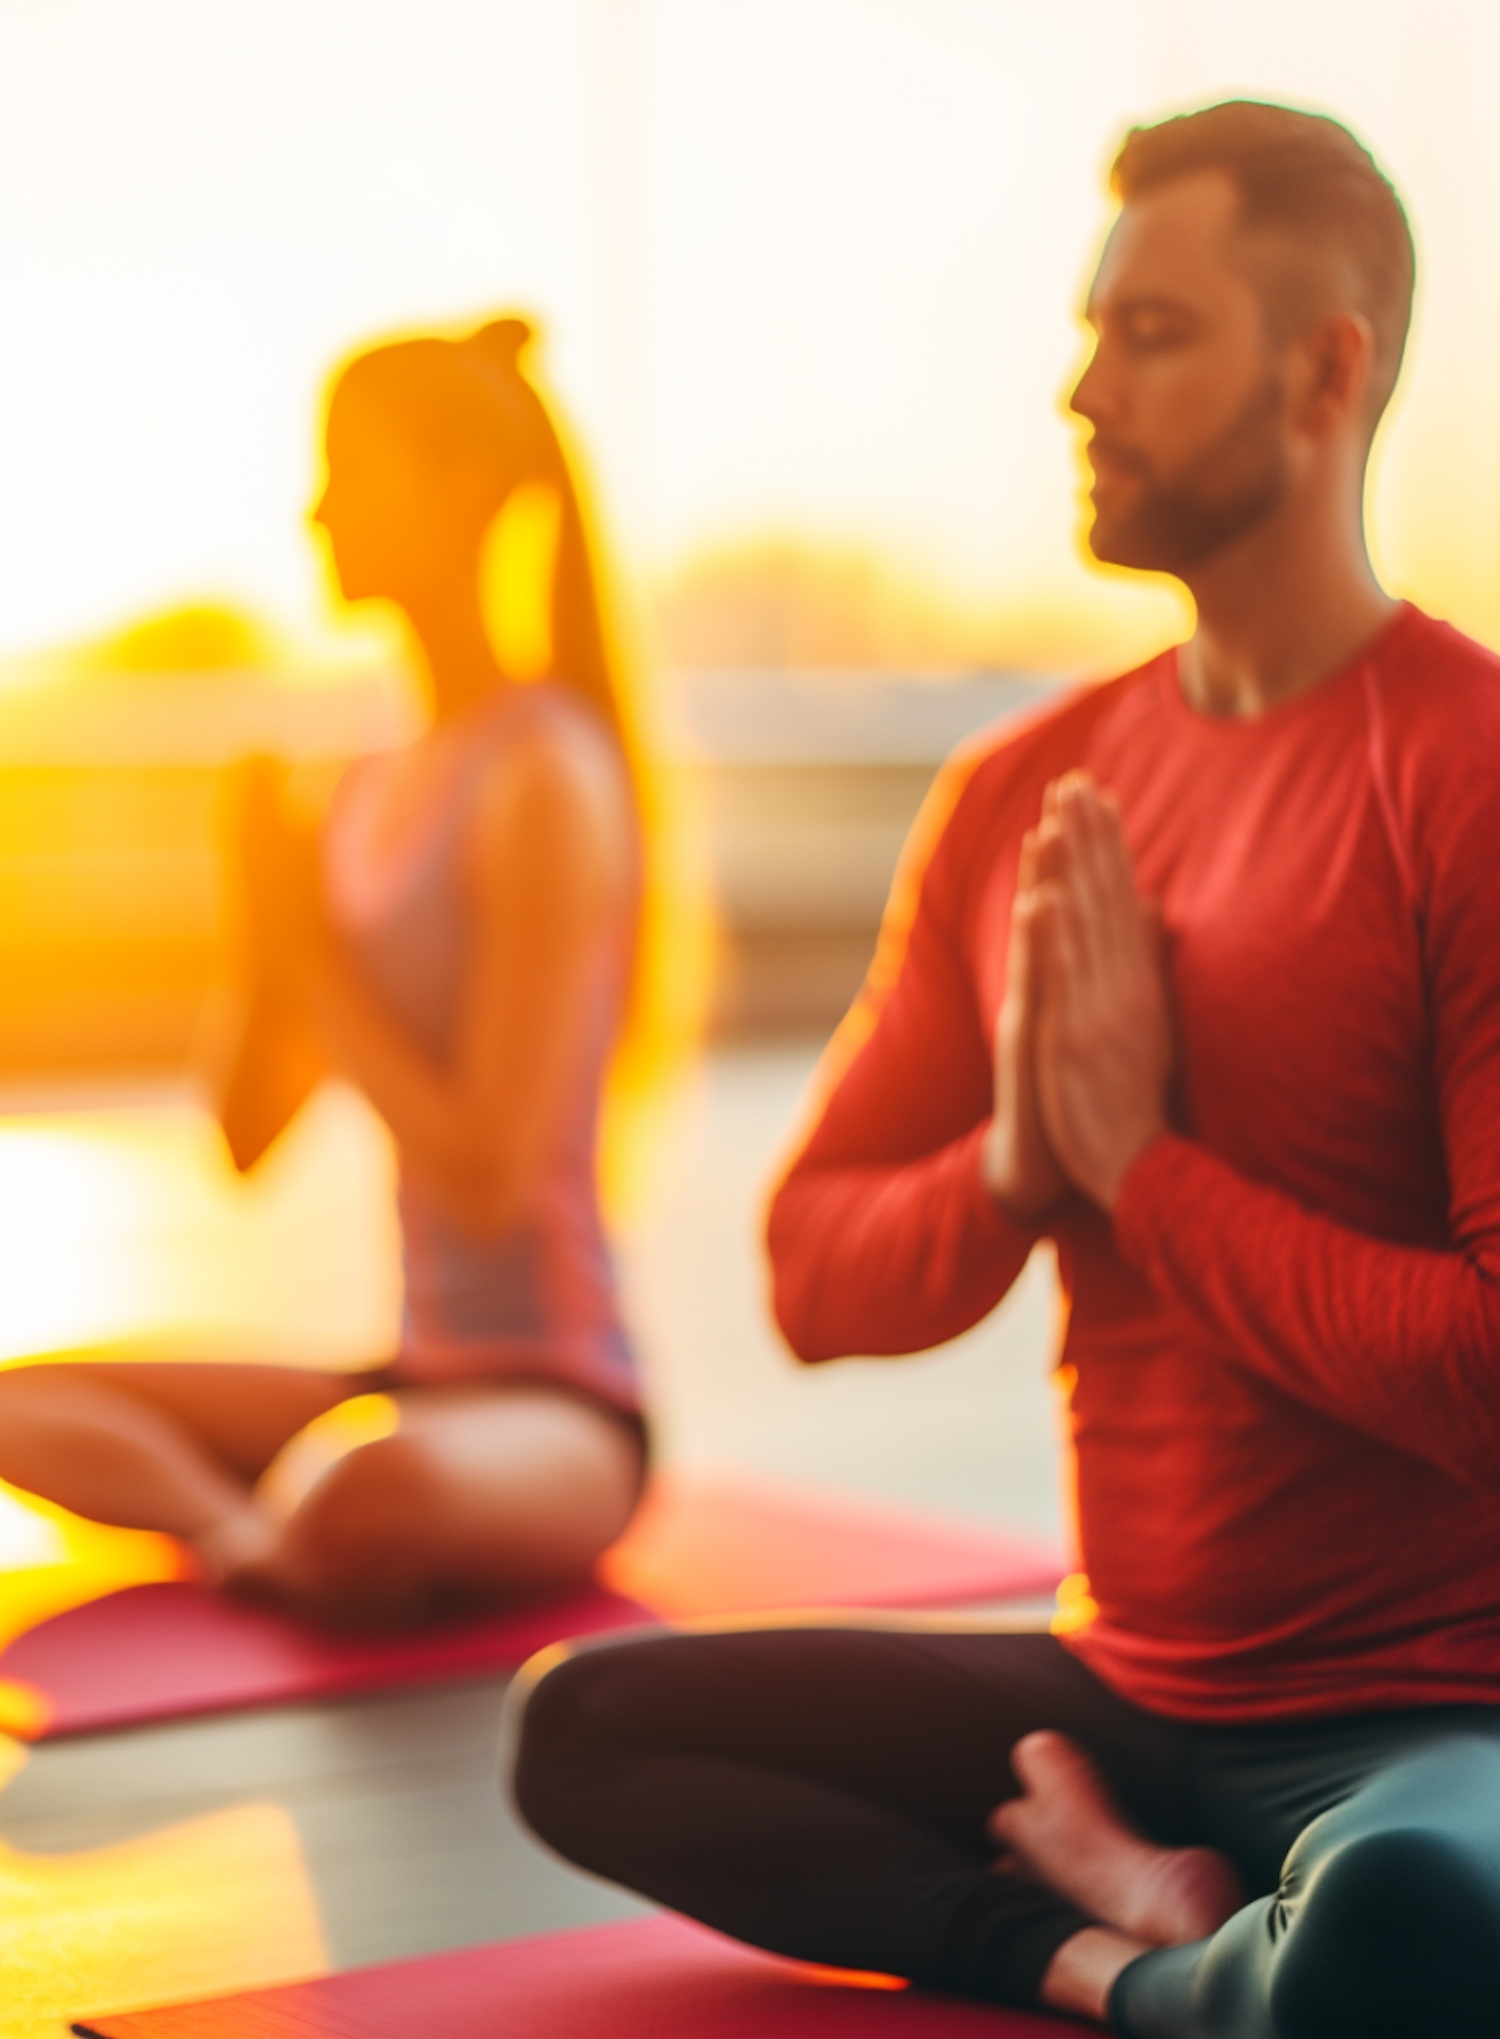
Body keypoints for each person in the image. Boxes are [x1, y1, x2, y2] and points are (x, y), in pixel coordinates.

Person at [509, 103, 1500, 2036]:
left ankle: (1166, 1941)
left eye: (1151, 333)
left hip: (1426, 1717)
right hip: (1109, 1697)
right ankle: (1108, 1945)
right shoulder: (1015, 798)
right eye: (1090, 328)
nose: (1078, 388)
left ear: (1324, 371)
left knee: (1410, 1923)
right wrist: (1020, 1171)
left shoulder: (1463, 774)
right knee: (588, 1727)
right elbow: (807, 1270)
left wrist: (1143, 1174)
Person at [0, 317, 649, 1622]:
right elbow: (248, 1134)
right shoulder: (364, 781)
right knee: (17, 1401)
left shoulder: (545, 775)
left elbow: (485, 1160)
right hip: (412, 1371)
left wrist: (314, 951)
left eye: (348, 471)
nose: (315, 511)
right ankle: (247, 1531)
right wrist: (261, 923)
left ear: (462, 488)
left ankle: (299, 1524)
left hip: (560, 1404)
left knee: (368, 1484)